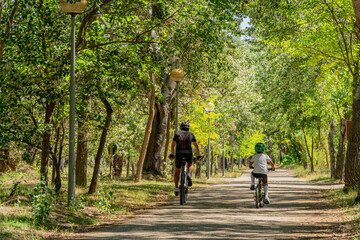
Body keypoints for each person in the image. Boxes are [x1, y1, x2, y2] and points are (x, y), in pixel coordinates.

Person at [169, 122, 201, 196]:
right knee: (190, 164)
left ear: (181, 128)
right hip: (188, 153)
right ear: (188, 128)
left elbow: (173, 145)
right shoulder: (191, 134)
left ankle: (176, 188)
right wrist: (198, 155)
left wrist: (172, 154)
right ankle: (189, 174)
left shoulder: (177, 134)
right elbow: (197, 146)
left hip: (179, 153)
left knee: (177, 170)